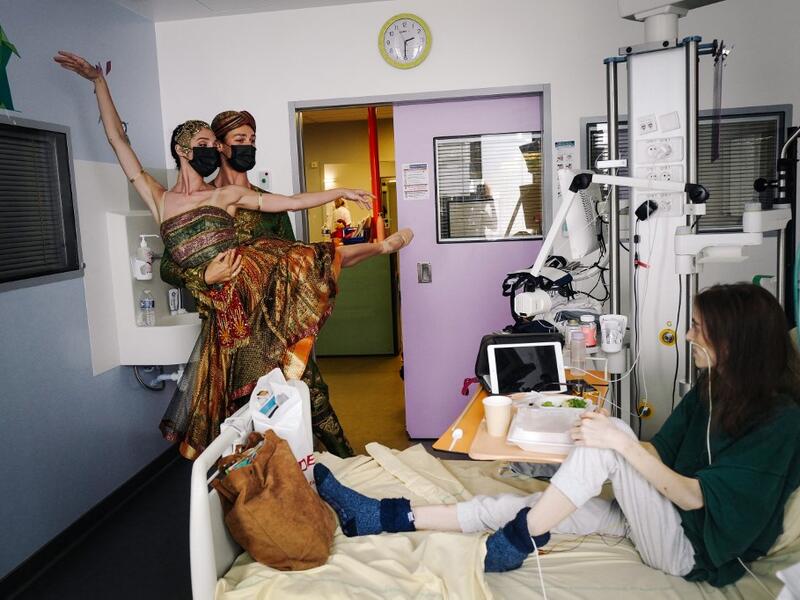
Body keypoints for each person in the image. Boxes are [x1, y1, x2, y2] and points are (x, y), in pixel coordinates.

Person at [313, 283, 800, 587]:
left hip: (691, 551)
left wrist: (615, 445)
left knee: (615, 436)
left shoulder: (778, 421)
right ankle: (382, 517)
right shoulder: (711, 389)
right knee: (520, 504)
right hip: (658, 514)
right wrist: (578, 440)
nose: (689, 336)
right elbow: (659, 452)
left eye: (697, 329)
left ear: (735, 342)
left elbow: (695, 498)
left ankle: (516, 544)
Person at [55, 51, 413, 458]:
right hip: (221, 315)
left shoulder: (227, 195)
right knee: (237, 410)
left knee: (303, 264)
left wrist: (340, 192)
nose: (212, 151)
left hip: (253, 291)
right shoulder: (158, 198)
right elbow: (119, 141)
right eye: (204, 144)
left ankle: (325, 462)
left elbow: (292, 202)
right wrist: (99, 83)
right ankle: (252, 483)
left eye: (215, 143)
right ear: (182, 149)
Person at [159, 109, 354, 458]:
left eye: (252, 141)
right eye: (240, 141)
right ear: (219, 147)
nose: (248, 148)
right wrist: (204, 276)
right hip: (230, 327)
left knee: (307, 390)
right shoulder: (198, 203)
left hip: (277, 323)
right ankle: (257, 482)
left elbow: (295, 256)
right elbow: (168, 267)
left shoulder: (263, 201)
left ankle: (339, 466)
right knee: (243, 409)